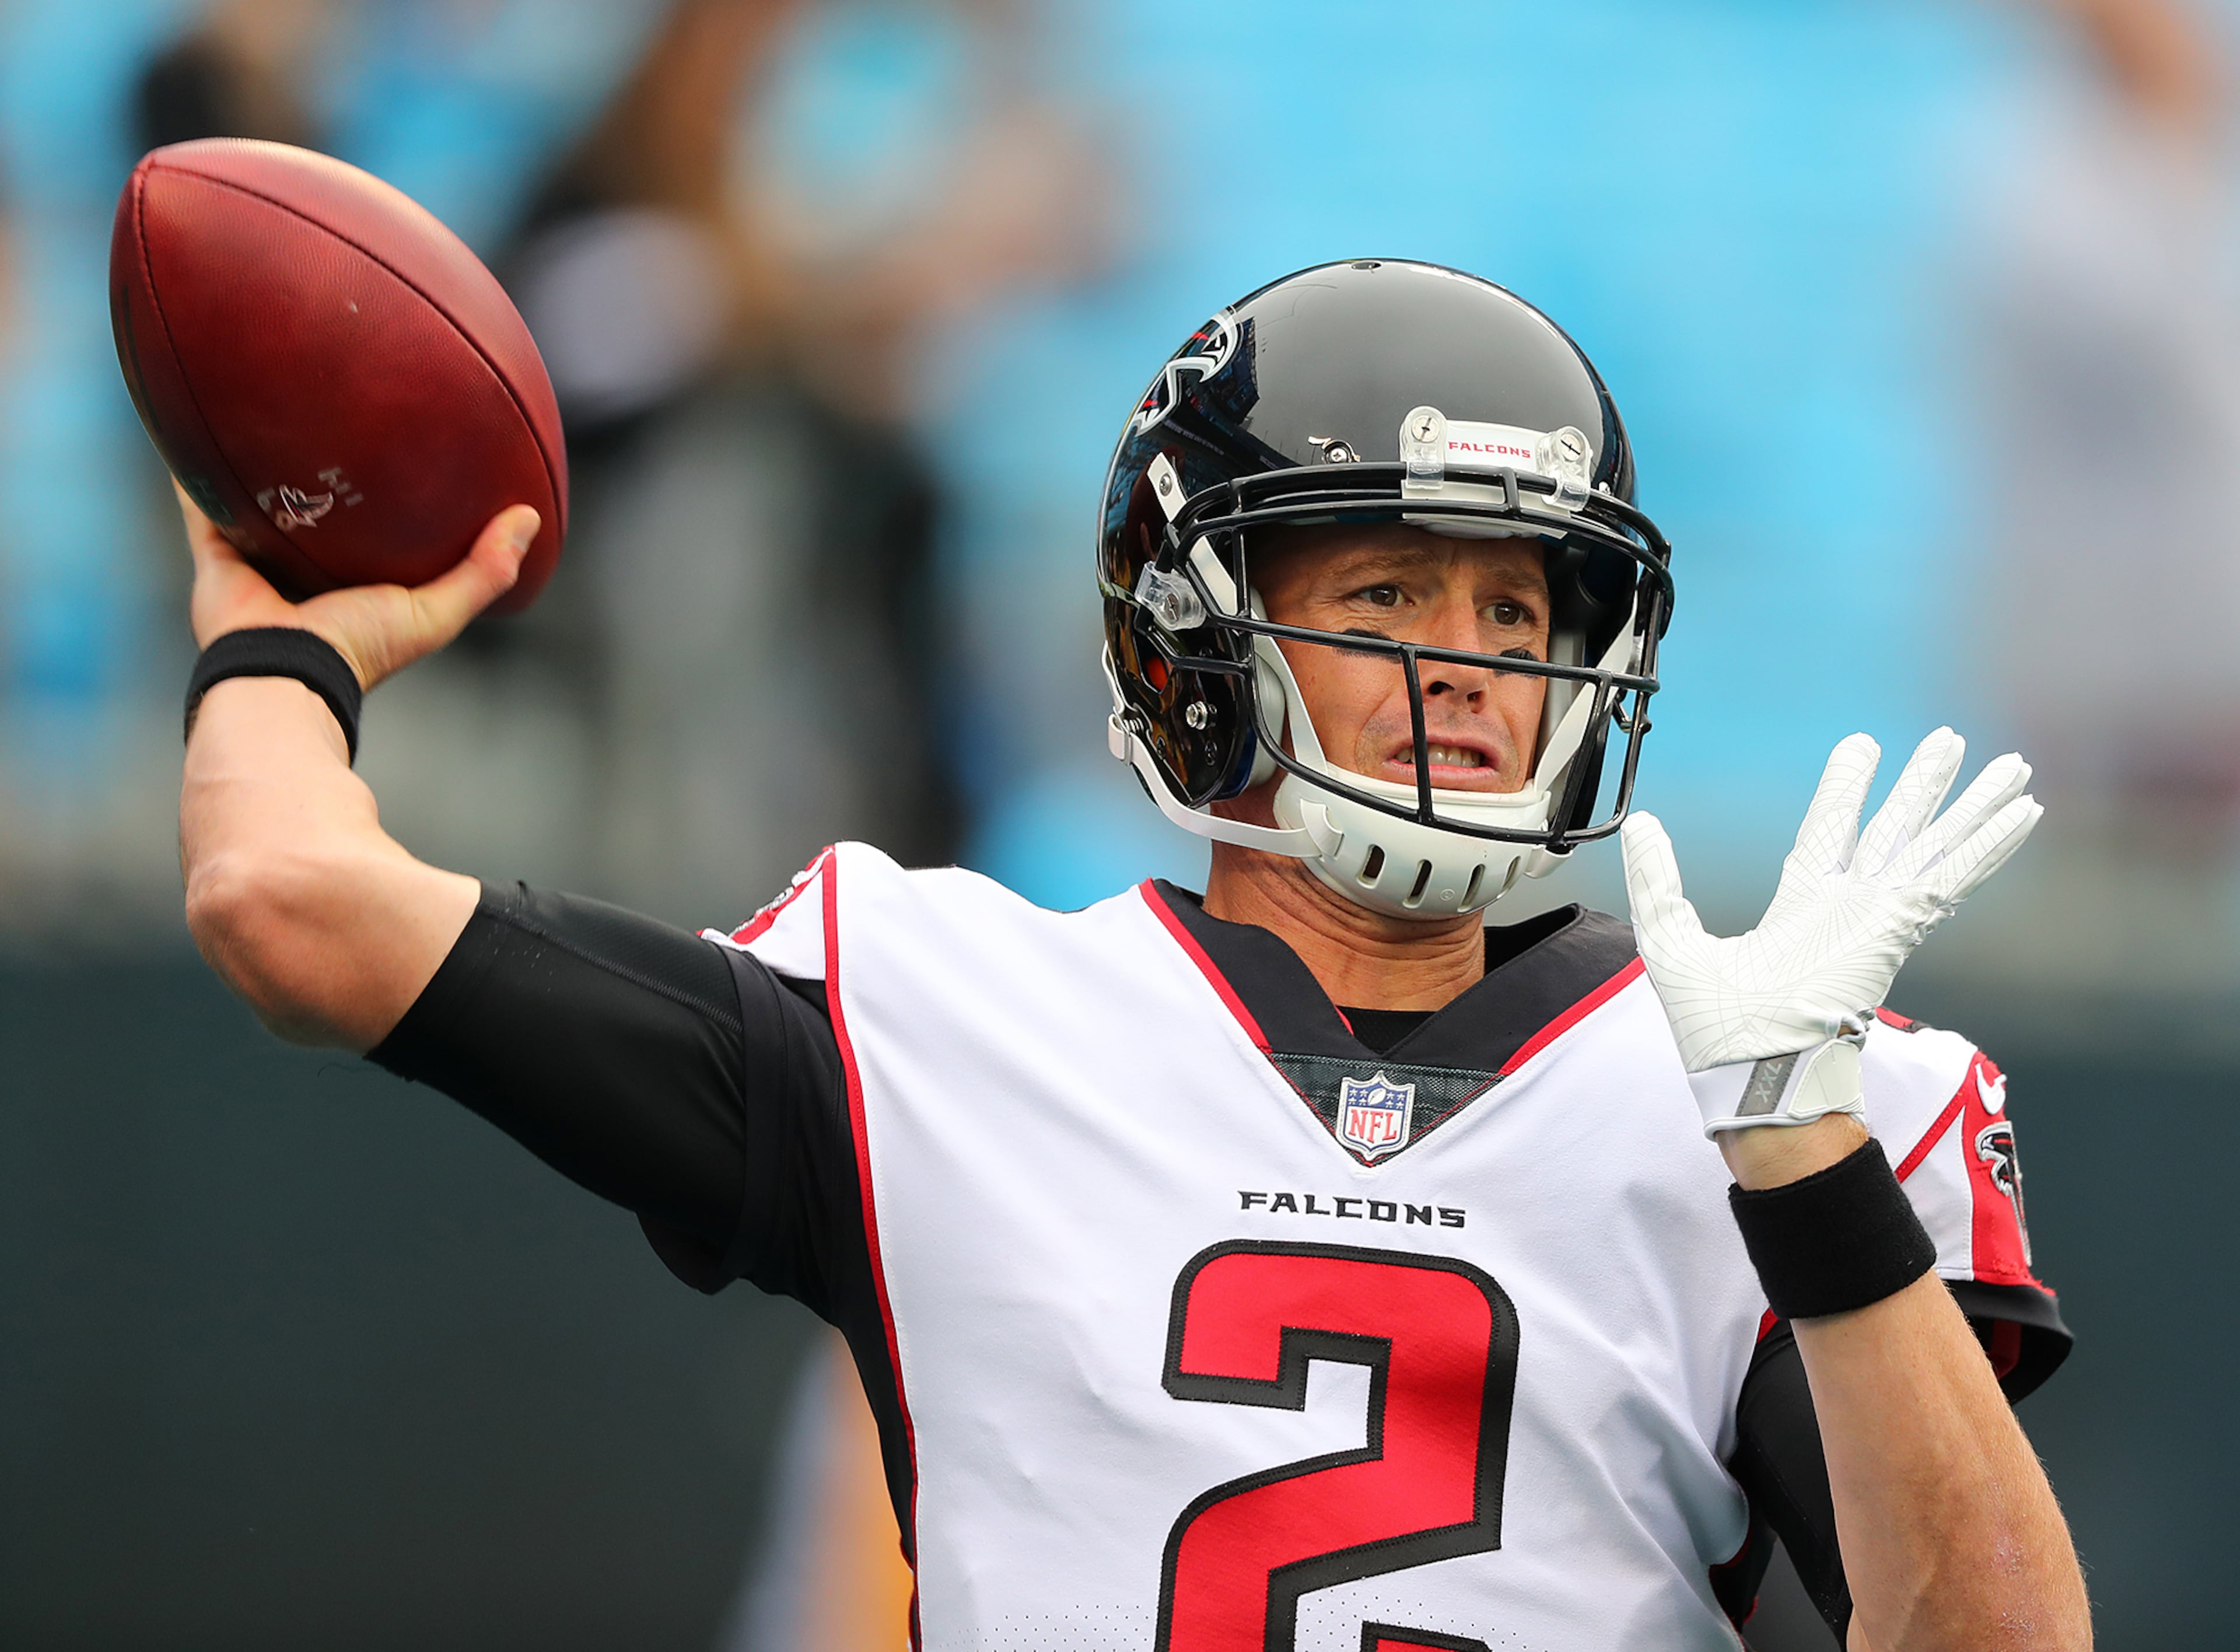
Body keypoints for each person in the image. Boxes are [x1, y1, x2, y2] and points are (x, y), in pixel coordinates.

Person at [172, 259, 2088, 1651]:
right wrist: (284, 639)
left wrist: (1811, 1167)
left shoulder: (1775, 1103)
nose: (1474, 666)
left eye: (1518, 605)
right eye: (1390, 590)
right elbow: (290, 904)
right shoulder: (938, 1014)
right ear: (1193, 638)